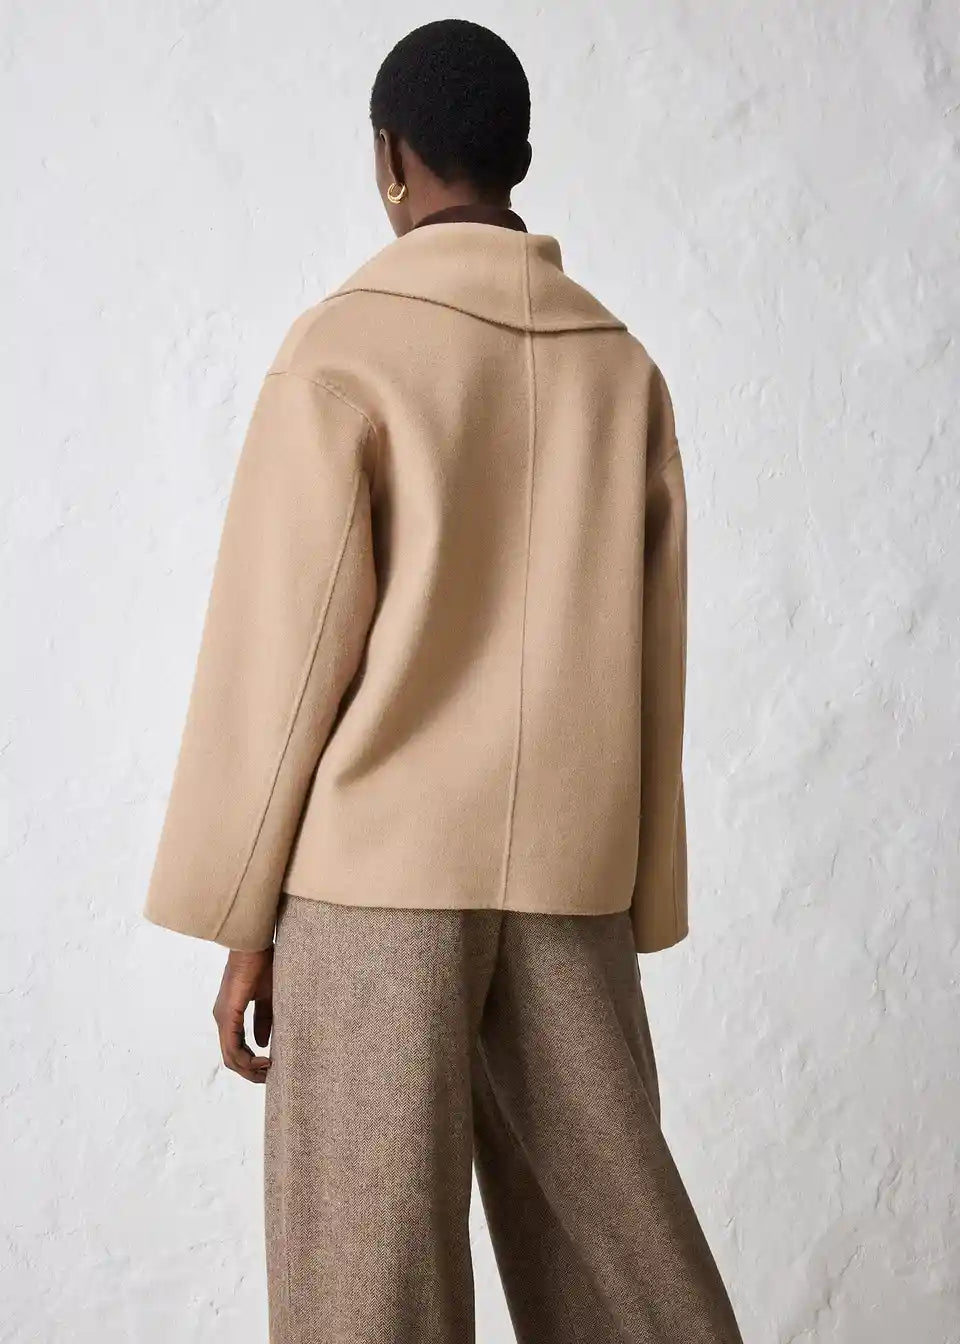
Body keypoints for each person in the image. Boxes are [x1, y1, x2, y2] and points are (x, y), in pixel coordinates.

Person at [143, 18, 744, 1344]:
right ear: (518, 156)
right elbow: (654, 652)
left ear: (391, 159)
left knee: (366, 1290)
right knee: (624, 1275)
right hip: (571, 880)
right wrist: (639, 890)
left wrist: (244, 919)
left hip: (375, 886)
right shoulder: (621, 366)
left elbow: (287, 647)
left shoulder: (348, 348)